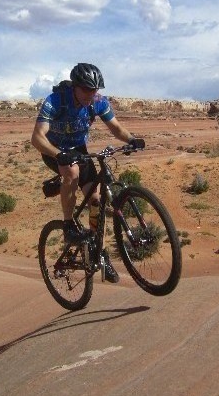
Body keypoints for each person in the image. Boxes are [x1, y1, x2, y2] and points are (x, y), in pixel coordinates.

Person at [31, 63, 144, 283]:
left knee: (96, 200)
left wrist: (131, 139)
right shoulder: (56, 101)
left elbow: (116, 128)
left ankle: (97, 251)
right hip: (52, 149)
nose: (91, 95)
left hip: (79, 150)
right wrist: (58, 154)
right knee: (71, 172)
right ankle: (68, 226)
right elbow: (37, 138)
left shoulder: (98, 102)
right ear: (75, 86)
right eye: (87, 90)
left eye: (95, 90)